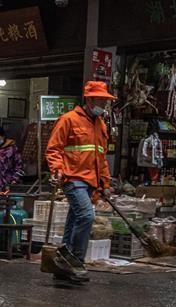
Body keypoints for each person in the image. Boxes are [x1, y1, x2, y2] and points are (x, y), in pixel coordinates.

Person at [46, 80, 115, 266]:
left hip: (90, 182)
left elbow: (101, 157)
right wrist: (57, 170)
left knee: (75, 218)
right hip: (73, 178)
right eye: (101, 101)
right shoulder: (68, 119)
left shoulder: (101, 125)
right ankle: (76, 260)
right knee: (86, 216)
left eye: (106, 101)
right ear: (90, 100)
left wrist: (105, 184)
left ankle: (63, 261)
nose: (104, 105)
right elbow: (54, 149)